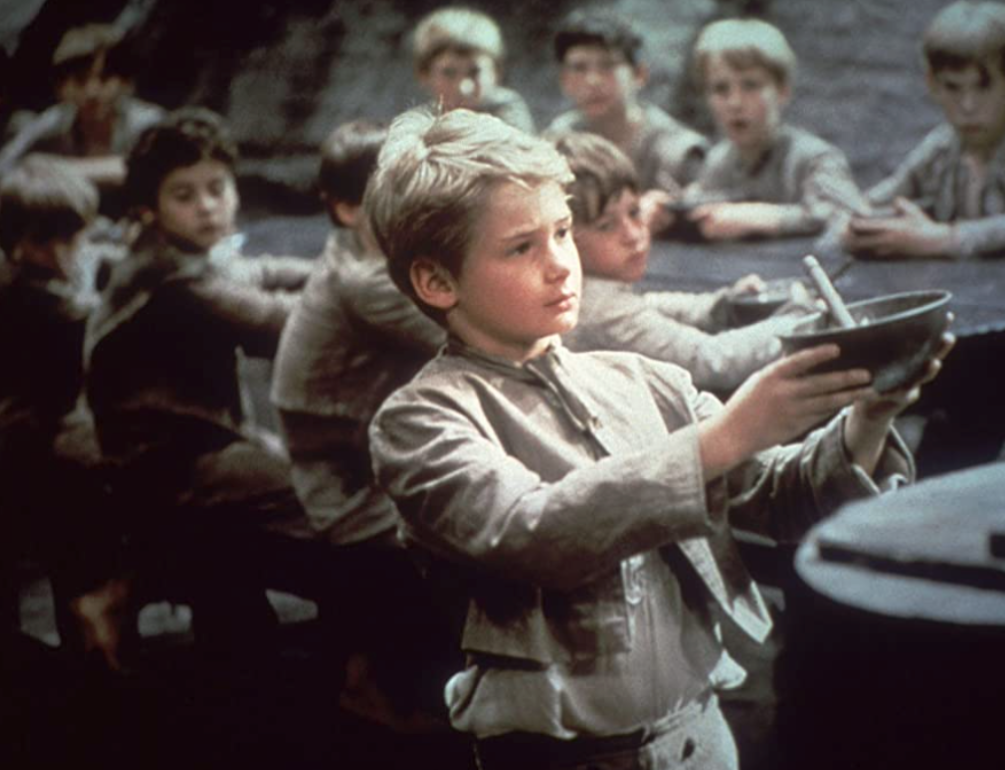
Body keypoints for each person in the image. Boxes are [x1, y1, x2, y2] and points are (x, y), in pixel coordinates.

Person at [364, 107, 951, 770]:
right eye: (521, 247)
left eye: (562, 232)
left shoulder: (642, 381)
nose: (561, 264)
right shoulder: (422, 421)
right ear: (437, 281)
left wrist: (869, 415)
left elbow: (784, 498)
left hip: (701, 740)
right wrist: (726, 435)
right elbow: (533, 533)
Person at [84, 107, 312, 660]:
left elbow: (258, 271)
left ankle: (219, 627)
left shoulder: (179, 252)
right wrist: (362, 292)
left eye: (217, 188)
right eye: (184, 195)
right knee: (328, 505)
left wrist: (340, 267)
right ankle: (365, 663)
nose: (207, 205)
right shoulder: (169, 277)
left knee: (298, 477)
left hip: (191, 439)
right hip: (166, 461)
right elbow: (272, 322)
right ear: (149, 208)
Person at [270, 119, 457, 722]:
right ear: (349, 209)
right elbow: (476, 334)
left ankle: (388, 675)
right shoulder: (368, 282)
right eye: (398, 193)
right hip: (342, 480)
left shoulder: (367, 255)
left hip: (350, 448)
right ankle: (381, 689)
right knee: (475, 532)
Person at [555, 130, 812, 395]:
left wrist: (721, 305)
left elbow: (648, 305)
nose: (632, 234)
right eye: (606, 226)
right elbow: (710, 361)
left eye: (634, 212)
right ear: (566, 239)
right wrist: (803, 322)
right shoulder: (602, 309)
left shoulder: (591, 291)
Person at [0, 154, 125, 667]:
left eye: (74, 236)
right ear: (19, 245)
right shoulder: (47, 303)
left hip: (31, 439)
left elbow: (101, 258)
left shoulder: (23, 273)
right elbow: (93, 316)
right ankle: (93, 658)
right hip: (37, 446)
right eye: (48, 240)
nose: (66, 251)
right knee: (76, 553)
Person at [845, 1, 1005, 259]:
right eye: (953, 88)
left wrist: (942, 239)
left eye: (984, 87)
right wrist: (860, 229)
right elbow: (869, 204)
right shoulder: (941, 147)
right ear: (933, 85)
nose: (968, 106)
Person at [684, 18, 867, 243]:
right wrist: (672, 213)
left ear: (782, 91)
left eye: (750, 86)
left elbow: (852, 216)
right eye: (720, 89)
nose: (735, 103)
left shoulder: (813, 159)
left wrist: (767, 217)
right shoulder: (718, 162)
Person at [546, 8, 708, 232]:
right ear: (564, 80)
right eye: (579, 68)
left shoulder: (679, 151)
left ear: (639, 74)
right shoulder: (555, 142)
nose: (592, 80)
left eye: (607, 66)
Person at [0, 23, 164, 213]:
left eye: (104, 79)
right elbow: (6, 163)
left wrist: (53, 168)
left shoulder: (146, 122)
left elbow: (139, 170)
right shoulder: (57, 118)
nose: (92, 92)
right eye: (80, 80)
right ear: (61, 87)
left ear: (125, 83)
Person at [412, 6, 534, 133]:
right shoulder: (420, 123)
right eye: (449, 73)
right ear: (424, 75)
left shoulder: (506, 111)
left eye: (475, 73)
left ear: (496, 73)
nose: (464, 88)